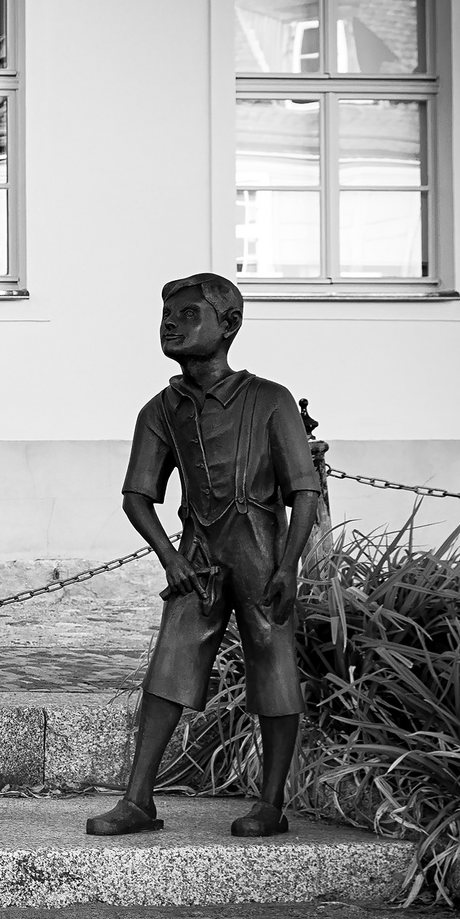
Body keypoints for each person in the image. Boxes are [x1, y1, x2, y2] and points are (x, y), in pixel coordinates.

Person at [87, 273, 320, 838]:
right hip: (197, 552)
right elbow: (136, 495)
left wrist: (289, 565)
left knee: (272, 661)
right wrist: (169, 556)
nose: (171, 322)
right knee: (170, 664)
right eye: (167, 313)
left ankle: (271, 803)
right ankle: (138, 800)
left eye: (189, 314)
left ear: (229, 326)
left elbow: (303, 489)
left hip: (260, 548)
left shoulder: (270, 400)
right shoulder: (161, 409)